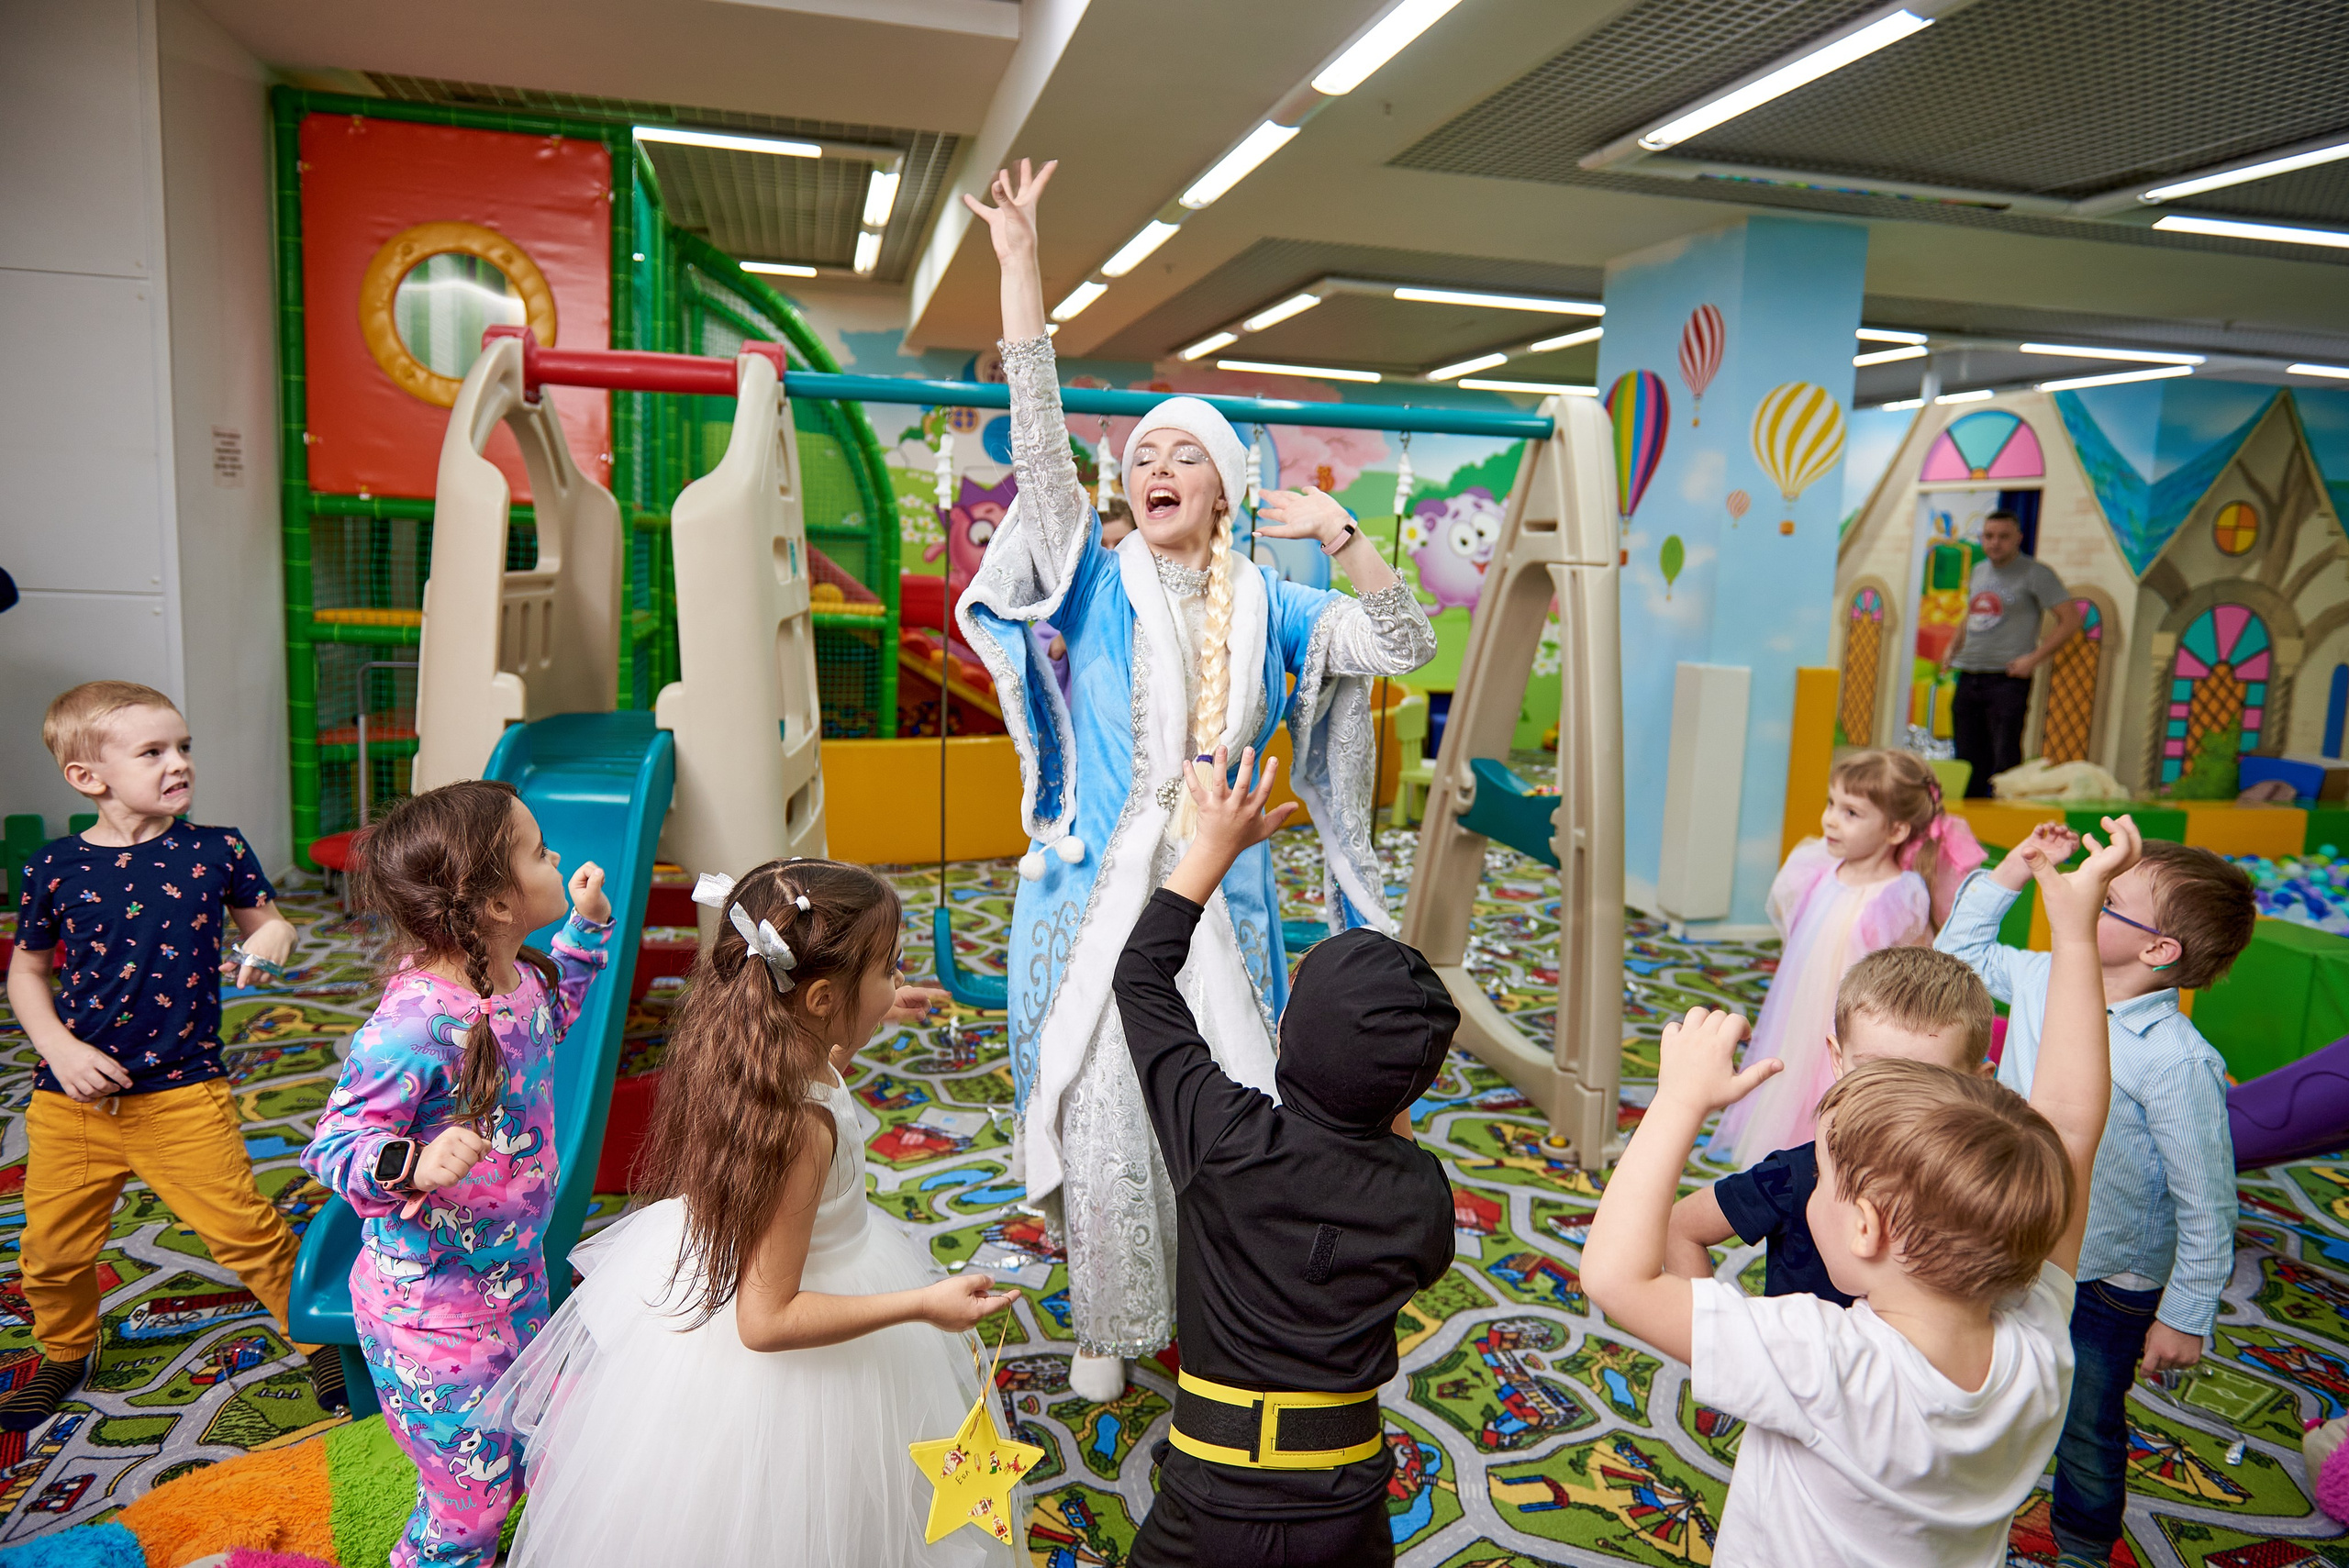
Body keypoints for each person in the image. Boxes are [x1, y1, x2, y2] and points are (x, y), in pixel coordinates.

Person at [955, 160, 1438, 1402]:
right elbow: (1043, 454)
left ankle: (1210, 1301)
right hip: (1095, 884)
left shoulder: (1276, 601)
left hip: (1230, 891)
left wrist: (1341, 537)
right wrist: (1019, 265)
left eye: (1185, 453)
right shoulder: (1091, 573)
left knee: (1225, 1097)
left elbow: (1400, 647)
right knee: (1105, 1091)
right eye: (1144, 453)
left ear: (1225, 487)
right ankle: (1107, 1322)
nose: (1155, 465)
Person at [1586, 817, 2142, 1567]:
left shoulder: (1822, 1364)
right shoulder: (2038, 1337)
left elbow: (1615, 1276)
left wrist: (1677, 1100)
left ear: (1865, 1227)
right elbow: (2072, 1125)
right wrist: (2074, 934)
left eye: (1834, 1173)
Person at [478, 858, 1015, 1567]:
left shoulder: (754, 1046)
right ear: (822, 996)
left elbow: (820, 1059)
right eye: (887, 969)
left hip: (753, 1269)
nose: (892, 983)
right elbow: (765, 1321)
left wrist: (883, 1000)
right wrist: (921, 1303)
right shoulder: (800, 1132)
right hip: (795, 1330)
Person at [1112, 748, 1456, 1567]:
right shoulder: (1424, 1201)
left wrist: (1213, 848)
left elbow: (1141, 977)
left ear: (1285, 1038)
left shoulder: (1228, 1140)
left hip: (1210, 1494)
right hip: (1346, 1503)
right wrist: (1390, 1105)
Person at [299, 780, 615, 1568]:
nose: (557, 858)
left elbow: (556, 1015)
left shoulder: (520, 979)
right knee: (469, 1511)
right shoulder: (411, 1021)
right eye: (539, 852)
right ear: (494, 903)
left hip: (514, 1284)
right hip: (431, 1312)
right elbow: (334, 1143)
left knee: (533, 1453)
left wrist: (586, 928)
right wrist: (415, 1161)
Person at [5, 681, 329, 1429]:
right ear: (89, 776)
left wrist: (272, 937)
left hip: (183, 1091)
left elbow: (269, 922)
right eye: (153, 751)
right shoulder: (53, 867)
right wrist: (58, 1045)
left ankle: (316, 1339)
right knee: (50, 1249)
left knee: (246, 1230)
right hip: (71, 1099)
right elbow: (28, 970)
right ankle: (62, 1352)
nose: (178, 762)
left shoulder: (217, 848)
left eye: (184, 747)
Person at [1937, 823, 2254, 1566]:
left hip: (2107, 1279)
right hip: (2010, 1238)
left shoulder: (2178, 1062)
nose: (2081, 892)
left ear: (2158, 951)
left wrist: (2184, 1313)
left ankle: (2081, 1546)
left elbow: (2208, 1202)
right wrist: (2012, 869)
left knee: (2086, 1422)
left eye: (2106, 898)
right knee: (1986, 1384)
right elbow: (1957, 958)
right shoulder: (2048, 974)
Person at [1666, 945, 1995, 1306]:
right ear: (1838, 1060)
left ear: (1978, 1082)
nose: (1893, 1102)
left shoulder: (1989, 1187)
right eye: (1872, 1073)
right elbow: (1681, 1227)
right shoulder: (1794, 1175)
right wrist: (1709, 1343)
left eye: (1926, 1080)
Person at [1707, 749, 1969, 1168]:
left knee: (1837, 1101)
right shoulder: (1814, 870)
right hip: (1804, 1014)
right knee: (1791, 1093)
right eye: (1832, 804)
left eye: (1851, 812)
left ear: (1896, 829)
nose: (1830, 819)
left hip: (1853, 1017)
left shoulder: (1900, 895)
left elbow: (1909, 973)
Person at [1941, 509, 2081, 797]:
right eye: (1989, 536)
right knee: (1966, 754)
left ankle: (2004, 819)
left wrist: (2033, 659)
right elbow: (1972, 614)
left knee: (2003, 755)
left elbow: (2071, 620)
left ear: (2018, 538)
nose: (1995, 543)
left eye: (2003, 537)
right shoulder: (1979, 570)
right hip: (1968, 675)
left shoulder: (2036, 573)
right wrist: (1951, 648)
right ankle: (1972, 818)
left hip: (2006, 678)